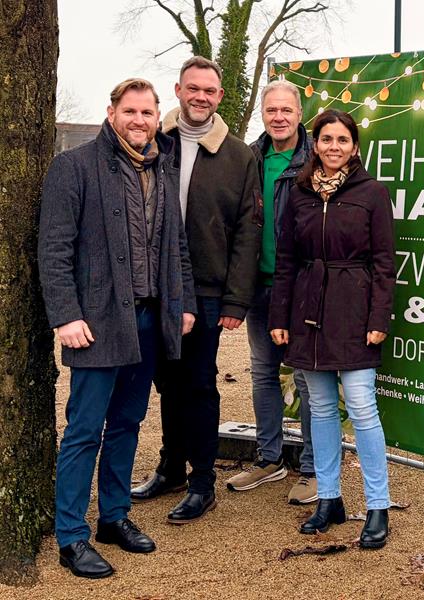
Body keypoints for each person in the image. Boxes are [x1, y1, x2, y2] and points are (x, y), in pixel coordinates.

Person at [39, 78, 196, 578]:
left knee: (127, 423)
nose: (139, 121)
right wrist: (65, 315)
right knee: (84, 430)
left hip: (149, 320)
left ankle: (113, 517)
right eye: (130, 111)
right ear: (112, 114)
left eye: (147, 112)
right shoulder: (74, 166)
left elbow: (177, 246)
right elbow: (54, 248)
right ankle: (71, 536)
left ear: (157, 116)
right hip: (96, 321)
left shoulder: (163, 168)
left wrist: (184, 304)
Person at [131, 56, 260, 524]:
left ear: (219, 96)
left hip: (207, 287)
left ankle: (202, 482)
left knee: (199, 383)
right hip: (155, 284)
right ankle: (171, 467)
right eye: (193, 88)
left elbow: (248, 231)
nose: (201, 97)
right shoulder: (155, 143)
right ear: (179, 90)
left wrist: (236, 299)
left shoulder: (239, 156)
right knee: (166, 380)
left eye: (209, 90)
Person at [269, 109, 396, 547]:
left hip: (354, 311)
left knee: (361, 408)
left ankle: (378, 506)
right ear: (316, 144)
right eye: (326, 139)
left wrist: (379, 317)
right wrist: (279, 316)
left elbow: (384, 263)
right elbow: (286, 260)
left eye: (343, 140)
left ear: (354, 146)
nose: (334, 147)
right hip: (308, 311)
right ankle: (329, 498)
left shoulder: (372, 193)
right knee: (321, 409)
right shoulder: (300, 193)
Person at [225, 80, 317, 504]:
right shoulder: (250, 157)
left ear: (300, 113)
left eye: (286, 110)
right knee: (263, 372)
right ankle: (269, 459)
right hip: (259, 286)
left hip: (300, 288)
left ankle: (314, 468)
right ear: (263, 114)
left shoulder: (316, 158)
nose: (278, 117)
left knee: (306, 378)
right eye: (271, 110)